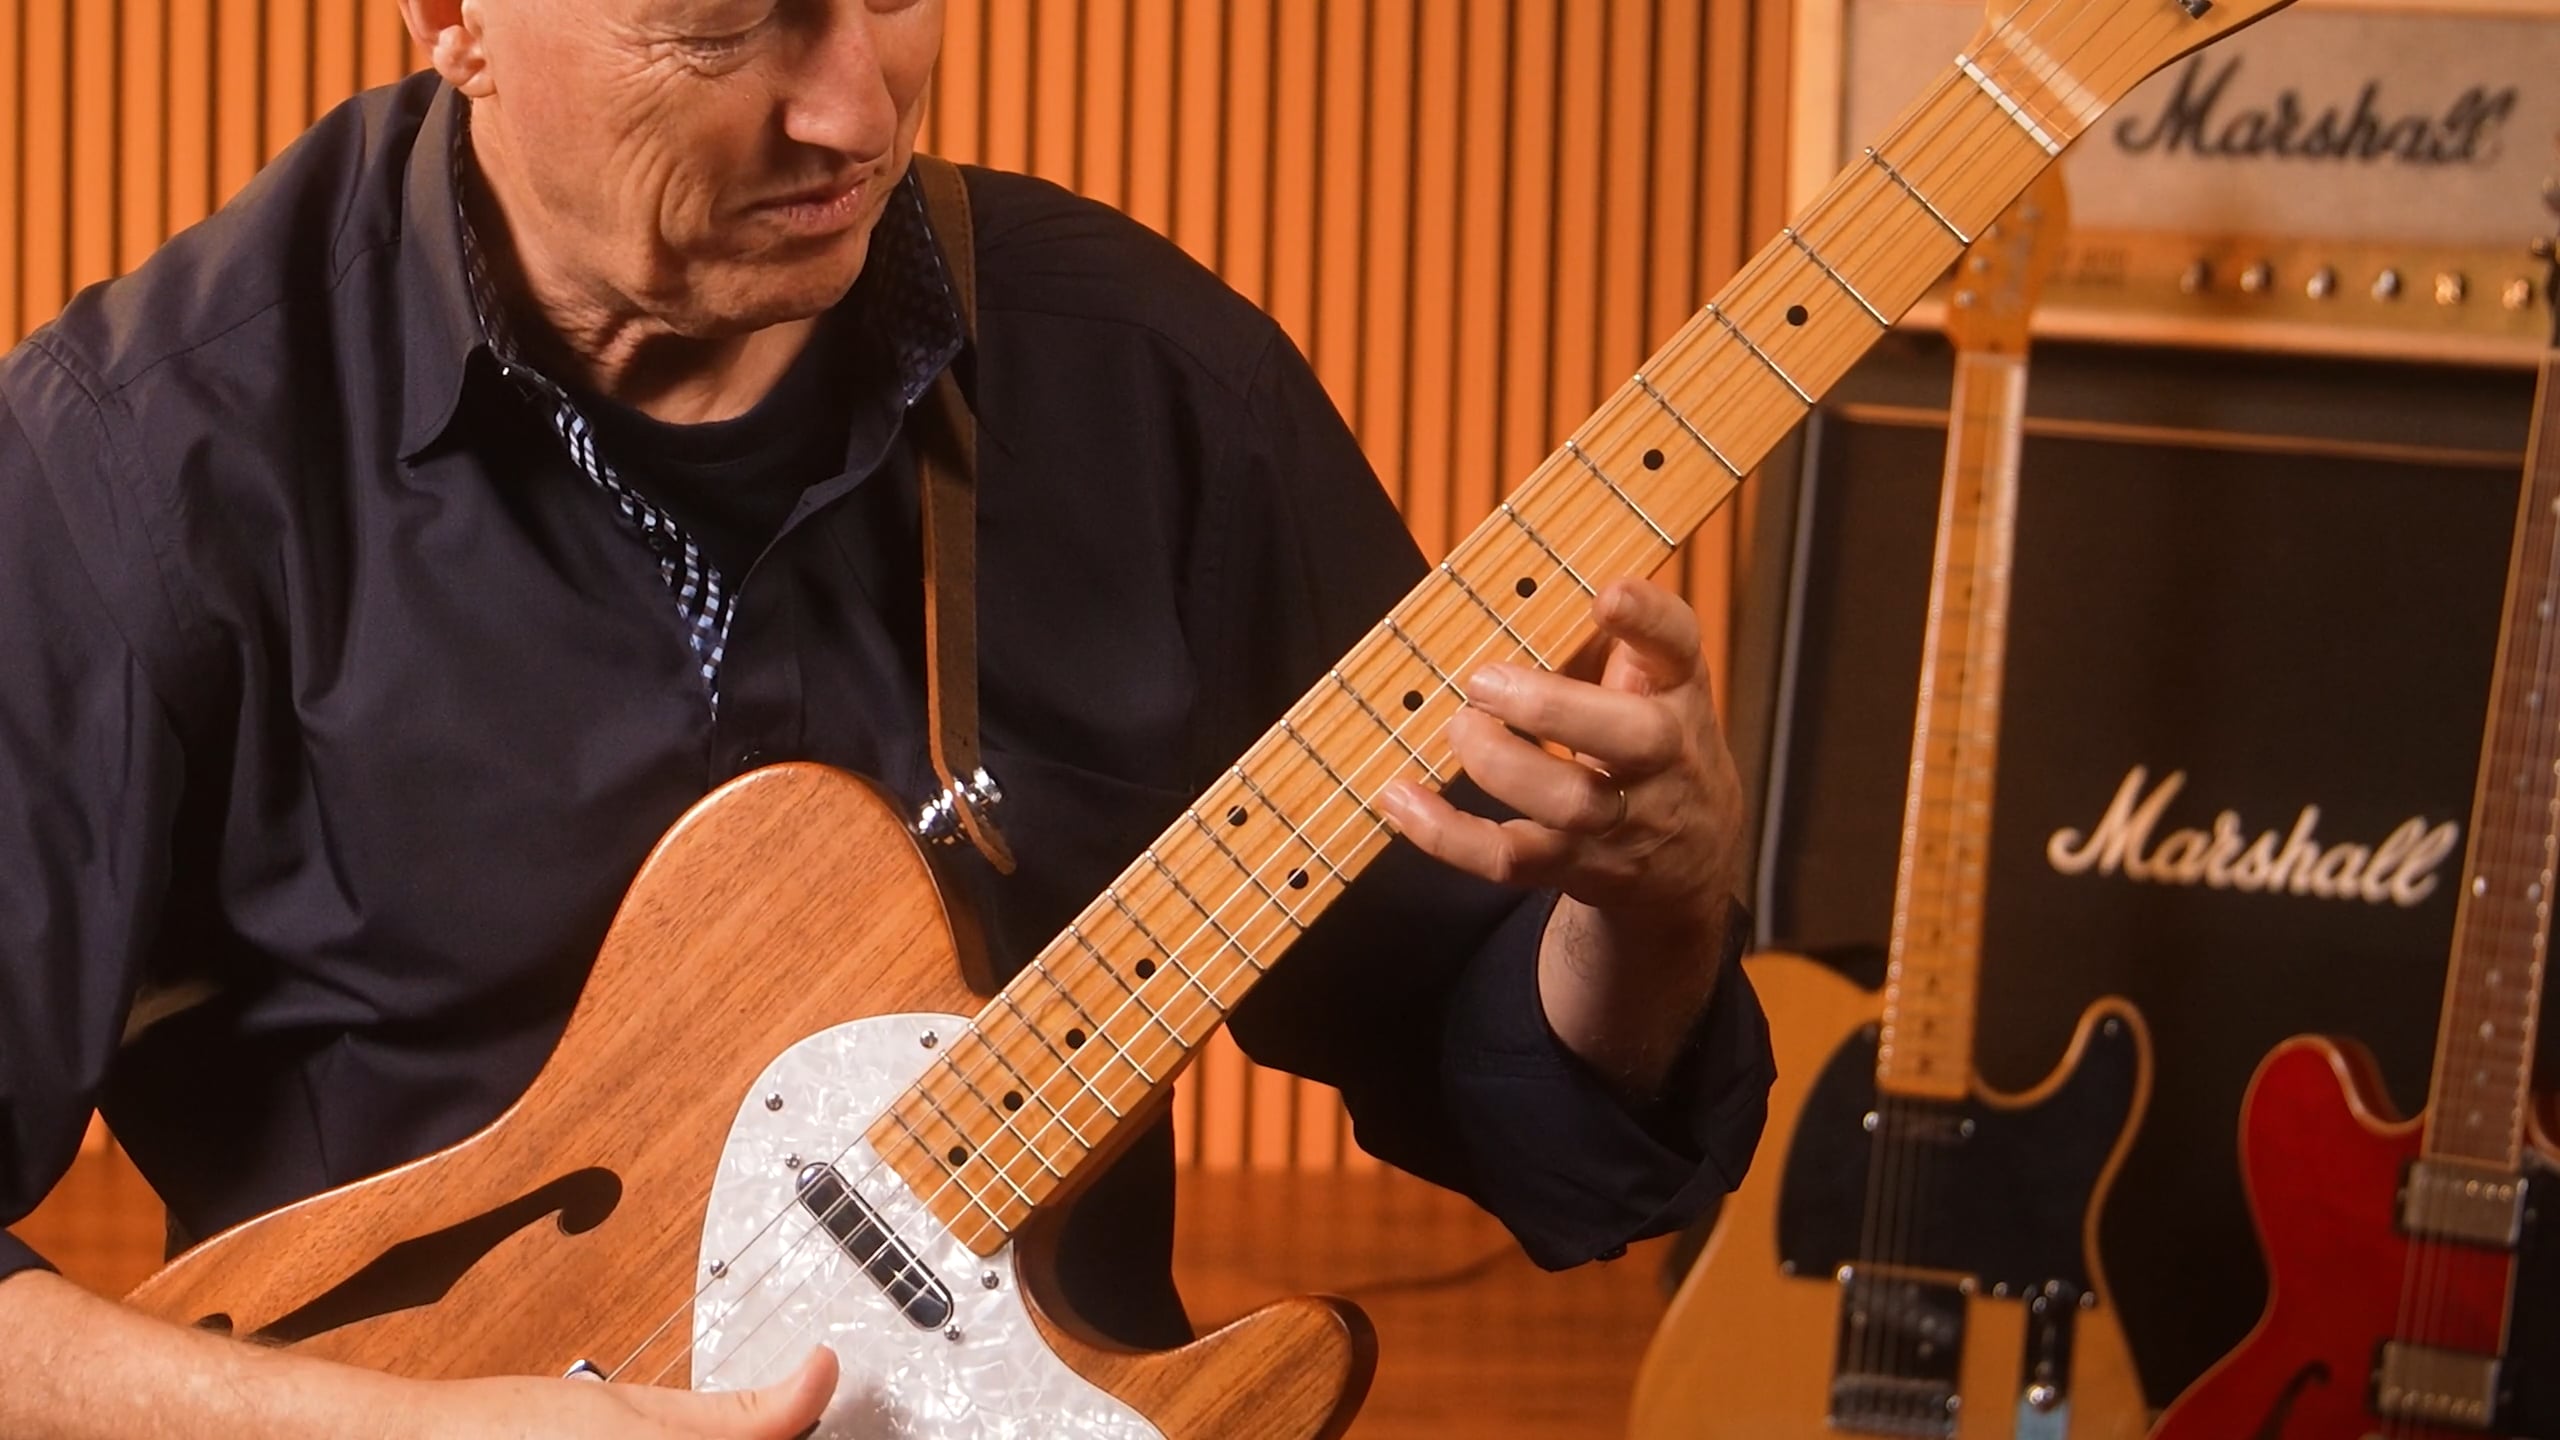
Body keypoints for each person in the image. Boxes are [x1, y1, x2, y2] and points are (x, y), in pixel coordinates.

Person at [0, 1, 1774, 1434]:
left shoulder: (1152, 385)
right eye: (729, 26)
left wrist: (1653, 914)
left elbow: (1484, 1057)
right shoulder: (136, 465)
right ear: (455, 20)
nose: (857, 110)